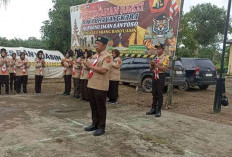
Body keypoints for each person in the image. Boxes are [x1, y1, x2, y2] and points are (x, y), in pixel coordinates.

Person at [84, 36, 112, 136]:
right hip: (92, 83)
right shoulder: (96, 56)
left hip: (101, 85)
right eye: (95, 44)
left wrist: (90, 66)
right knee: (93, 106)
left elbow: (104, 70)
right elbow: (90, 69)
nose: (96, 45)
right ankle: (94, 124)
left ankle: (101, 127)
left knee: (100, 107)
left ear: (104, 45)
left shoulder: (107, 57)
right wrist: (86, 65)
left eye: (98, 44)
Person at [146, 44, 169, 117]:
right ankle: (153, 108)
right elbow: (151, 69)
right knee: (154, 92)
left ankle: (159, 110)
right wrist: (152, 65)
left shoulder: (165, 58)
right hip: (154, 75)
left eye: (159, 49)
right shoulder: (155, 58)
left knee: (159, 93)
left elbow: (165, 69)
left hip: (161, 76)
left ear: (162, 49)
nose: (157, 50)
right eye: (157, 49)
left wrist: (156, 64)